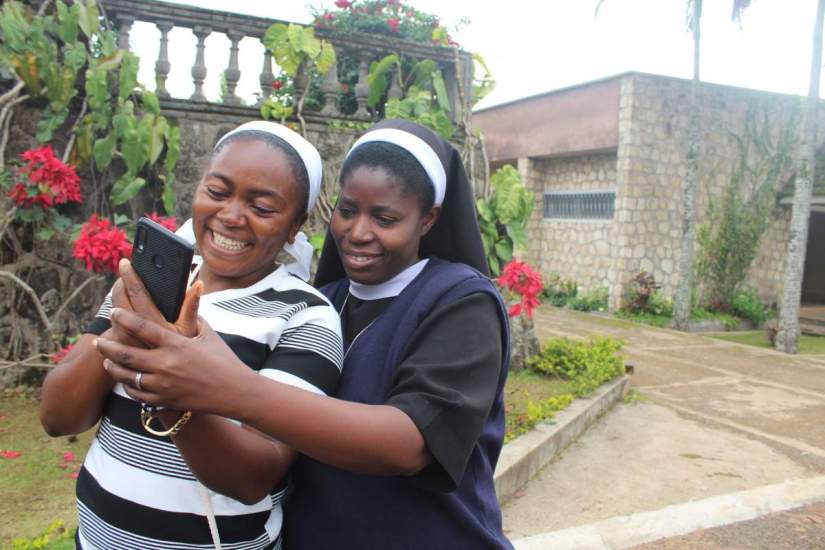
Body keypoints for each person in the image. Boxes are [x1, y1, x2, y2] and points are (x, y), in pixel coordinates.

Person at [95, 119, 513, 549]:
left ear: (428, 219)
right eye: (347, 211)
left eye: (384, 218)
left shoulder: (461, 300)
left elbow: (409, 443)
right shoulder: (323, 301)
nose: (359, 232)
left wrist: (229, 387)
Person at [40, 121, 343, 550]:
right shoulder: (146, 287)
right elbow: (58, 418)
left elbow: (252, 477)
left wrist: (173, 383)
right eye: (217, 192)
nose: (231, 216)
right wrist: (122, 327)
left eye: (262, 207)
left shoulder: (306, 316)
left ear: (295, 226)